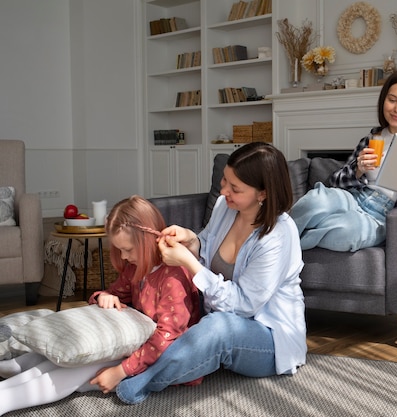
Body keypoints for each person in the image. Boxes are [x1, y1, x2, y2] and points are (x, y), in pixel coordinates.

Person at [115, 142, 306, 405]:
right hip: (216, 312)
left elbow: (243, 306)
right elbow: (206, 245)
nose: (224, 191)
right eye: (224, 180)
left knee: (219, 328)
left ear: (263, 193)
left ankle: (136, 379)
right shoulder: (224, 207)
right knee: (173, 311)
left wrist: (190, 264)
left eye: (234, 188)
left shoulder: (278, 236)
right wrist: (190, 239)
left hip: (268, 337)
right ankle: (130, 356)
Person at [0, 195, 200, 415]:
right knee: (74, 354)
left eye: (128, 249)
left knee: (81, 367)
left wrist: (121, 371)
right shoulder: (136, 268)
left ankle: (7, 397)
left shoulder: (173, 277)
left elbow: (168, 337)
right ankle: (13, 376)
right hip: (138, 345)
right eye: (119, 249)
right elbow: (111, 292)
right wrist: (104, 297)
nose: (123, 257)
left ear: (147, 240)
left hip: (165, 356)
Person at [290, 70, 397, 252]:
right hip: (354, 198)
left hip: (382, 215)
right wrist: (358, 170)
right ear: (383, 100)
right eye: (392, 100)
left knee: (348, 231)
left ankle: (287, 248)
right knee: (315, 201)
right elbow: (334, 182)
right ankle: (278, 238)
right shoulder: (371, 138)